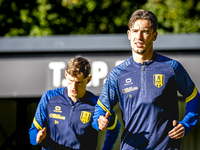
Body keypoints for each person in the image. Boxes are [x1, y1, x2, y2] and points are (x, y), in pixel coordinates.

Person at [92, 9, 200, 150]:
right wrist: (99, 120)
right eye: (135, 31)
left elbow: (194, 97)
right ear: (129, 35)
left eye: (145, 31)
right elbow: (100, 109)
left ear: (154, 35)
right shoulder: (117, 74)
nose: (139, 37)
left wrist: (186, 124)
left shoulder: (172, 68)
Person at [29, 56, 121, 150]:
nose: (73, 86)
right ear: (65, 74)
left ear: (88, 80)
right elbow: (33, 131)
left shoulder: (97, 104)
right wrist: (37, 137)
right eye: (71, 80)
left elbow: (115, 127)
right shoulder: (49, 97)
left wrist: (106, 148)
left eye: (79, 82)